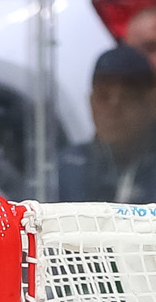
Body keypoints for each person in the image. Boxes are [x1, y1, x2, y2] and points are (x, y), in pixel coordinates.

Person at [57, 46, 156, 203]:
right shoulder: (65, 169)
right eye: (103, 96)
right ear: (91, 102)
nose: (114, 108)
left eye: (128, 96)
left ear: (151, 103)